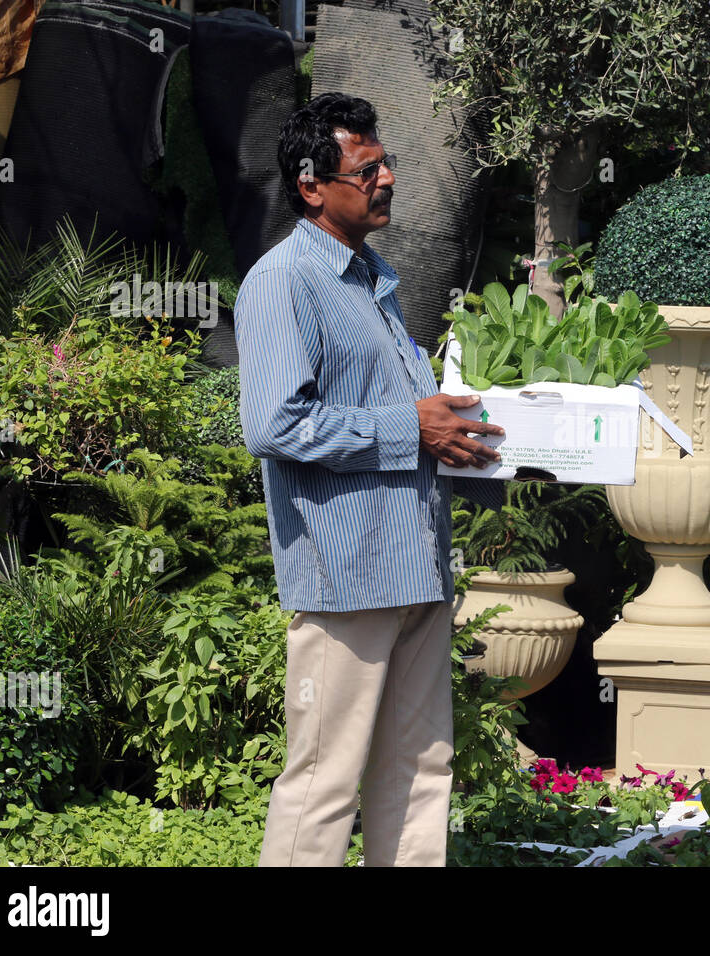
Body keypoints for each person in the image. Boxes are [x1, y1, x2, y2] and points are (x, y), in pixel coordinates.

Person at [235, 92, 506, 867]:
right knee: (325, 781)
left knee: (422, 774)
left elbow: (414, 418)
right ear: (312, 185)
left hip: (415, 562)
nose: (387, 178)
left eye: (387, 163)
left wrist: (476, 434)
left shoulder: (373, 278)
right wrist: (411, 427)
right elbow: (275, 426)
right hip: (345, 573)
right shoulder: (284, 281)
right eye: (369, 168)